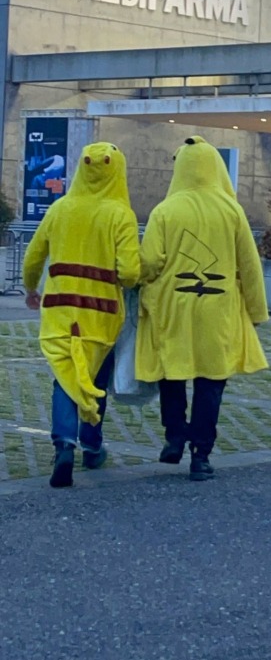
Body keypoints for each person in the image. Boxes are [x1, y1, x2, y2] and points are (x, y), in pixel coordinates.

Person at [136, 135, 269, 481]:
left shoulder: (164, 211)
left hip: (172, 307)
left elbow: (149, 262)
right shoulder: (231, 211)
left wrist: (136, 280)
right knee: (211, 380)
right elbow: (249, 267)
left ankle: (175, 436)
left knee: (172, 373)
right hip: (218, 309)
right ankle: (202, 454)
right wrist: (256, 311)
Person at [22, 142, 140, 489]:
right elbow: (130, 272)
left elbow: (33, 257)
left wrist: (32, 288)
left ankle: (63, 443)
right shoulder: (121, 215)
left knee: (65, 375)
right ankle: (90, 444)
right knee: (96, 378)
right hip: (101, 315)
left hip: (59, 308)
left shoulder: (60, 208)